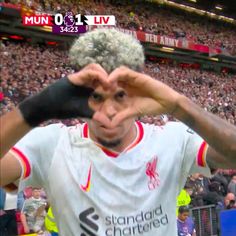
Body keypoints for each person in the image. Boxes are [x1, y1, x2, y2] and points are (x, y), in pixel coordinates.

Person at [0, 28, 236, 236]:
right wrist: (37, 107)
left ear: (139, 94)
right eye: (96, 97)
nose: (109, 111)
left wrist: (178, 104)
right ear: (74, 99)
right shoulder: (52, 145)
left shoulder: (172, 140)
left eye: (121, 96)